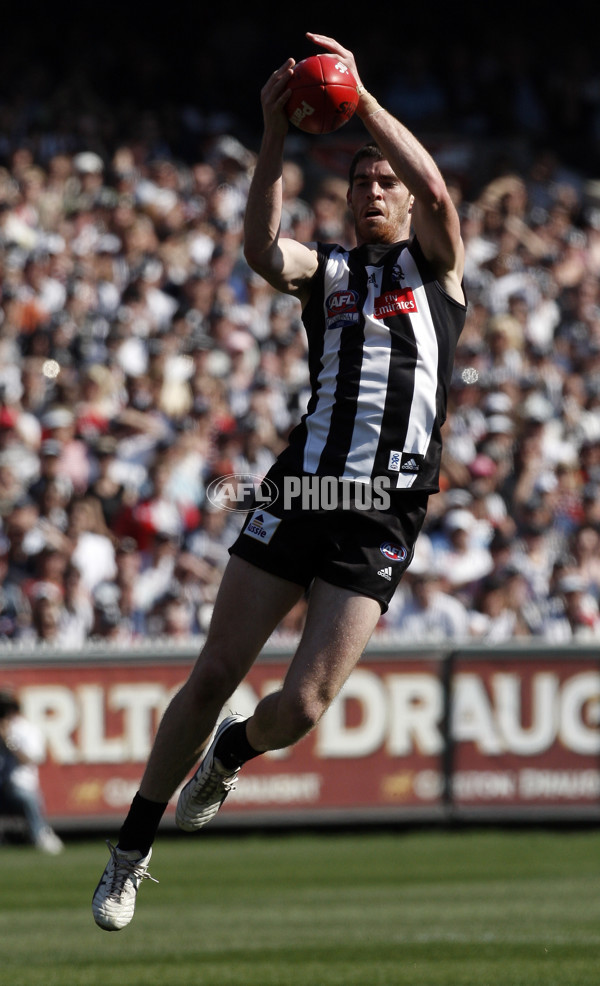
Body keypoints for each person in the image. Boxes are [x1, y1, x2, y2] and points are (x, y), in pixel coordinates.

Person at [92, 31, 466, 931]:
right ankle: (131, 850)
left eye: (389, 181)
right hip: (302, 490)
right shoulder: (328, 271)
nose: (376, 190)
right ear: (344, 197)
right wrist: (273, 133)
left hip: (382, 512)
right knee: (216, 666)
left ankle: (231, 754)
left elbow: (444, 195)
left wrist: (361, 96)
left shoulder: (437, 270)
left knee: (299, 706)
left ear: (405, 196)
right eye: (362, 180)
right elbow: (264, 249)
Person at [0, 688, 64, 854]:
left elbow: (32, 759)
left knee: (28, 798)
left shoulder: (25, 729)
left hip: (18, 785)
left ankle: (41, 834)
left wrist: (8, 741)